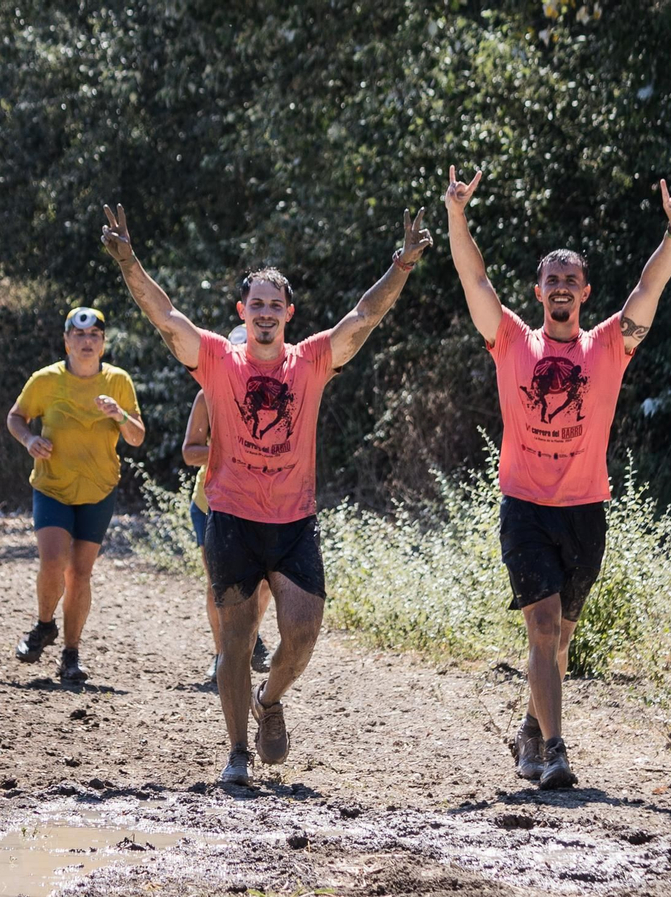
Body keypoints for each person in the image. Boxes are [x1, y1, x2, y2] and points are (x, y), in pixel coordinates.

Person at [101, 202, 432, 785]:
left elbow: (362, 317)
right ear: (241, 311)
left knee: (301, 637)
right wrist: (128, 259)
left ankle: (269, 700)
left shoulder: (310, 361)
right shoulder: (215, 359)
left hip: (293, 522)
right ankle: (235, 752)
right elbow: (164, 314)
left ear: (289, 315)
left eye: (275, 305)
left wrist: (401, 266)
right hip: (231, 517)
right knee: (235, 640)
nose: (265, 313)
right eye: (256, 304)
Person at [445, 166, 671, 789]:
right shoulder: (510, 341)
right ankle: (555, 747)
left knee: (558, 646)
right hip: (525, 504)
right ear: (537, 293)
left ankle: (529, 728)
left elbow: (649, 290)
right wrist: (456, 214)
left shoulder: (609, 345)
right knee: (544, 625)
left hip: (585, 509)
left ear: (584, 292)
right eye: (551, 280)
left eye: (570, 281)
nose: (560, 288)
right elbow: (473, 276)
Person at [6, 306, 146, 684]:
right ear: (66, 340)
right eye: (79, 336)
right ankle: (43, 624)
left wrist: (118, 414)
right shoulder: (45, 380)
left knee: (80, 574)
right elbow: (16, 417)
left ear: (102, 344)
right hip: (52, 487)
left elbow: (136, 436)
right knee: (53, 562)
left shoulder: (118, 382)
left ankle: (70, 655)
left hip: (98, 490)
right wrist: (30, 438)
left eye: (95, 337)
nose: (87, 342)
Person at [182, 324, 272, 686]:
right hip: (211, 503)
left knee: (263, 584)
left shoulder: (275, 396)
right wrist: (228, 452)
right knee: (218, 585)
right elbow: (190, 452)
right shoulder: (207, 396)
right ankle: (222, 656)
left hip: (262, 504)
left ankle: (250, 639)